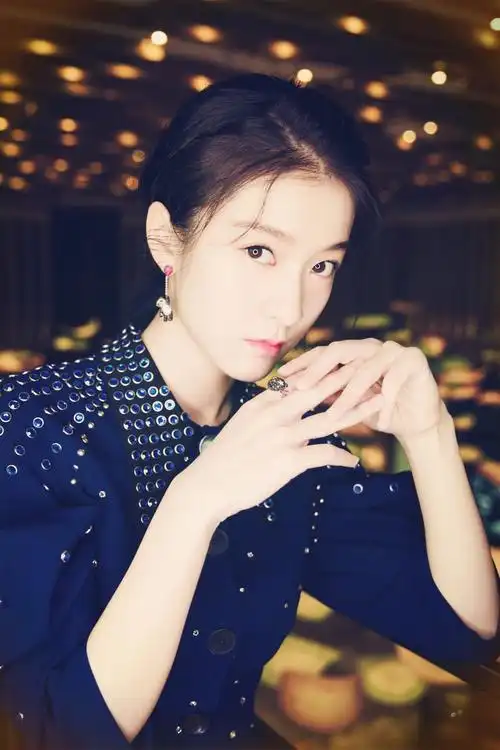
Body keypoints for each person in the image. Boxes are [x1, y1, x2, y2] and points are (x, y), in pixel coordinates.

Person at [0, 73, 498, 750]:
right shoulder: (29, 429)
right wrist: (194, 502)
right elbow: (50, 732)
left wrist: (431, 432)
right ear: (166, 239)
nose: (291, 308)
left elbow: (466, 629)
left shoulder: (284, 437)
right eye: (259, 251)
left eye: (322, 266)